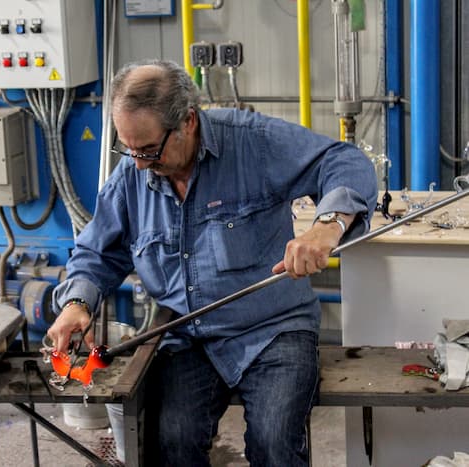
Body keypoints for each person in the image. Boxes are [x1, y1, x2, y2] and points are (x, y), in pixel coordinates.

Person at [47, 59, 377, 466]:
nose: (137, 164)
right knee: (171, 440)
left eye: (148, 149)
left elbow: (344, 161)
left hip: (272, 330)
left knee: (275, 443)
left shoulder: (254, 143)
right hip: (186, 335)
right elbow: (98, 251)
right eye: (127, 149)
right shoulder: (132, 173)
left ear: (188, 121)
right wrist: (77, 304)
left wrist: (328, 225)